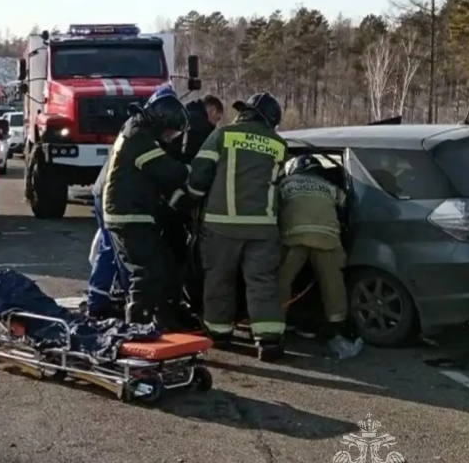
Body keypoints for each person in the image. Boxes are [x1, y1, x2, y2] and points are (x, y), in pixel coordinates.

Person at [184, 91, 287, 360]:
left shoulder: (223, 135)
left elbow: (199, 175)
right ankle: (269, 340)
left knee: (219, 279)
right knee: (262, 283)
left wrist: (190, 200)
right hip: (263, 228)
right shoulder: (278, 144)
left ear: (246, 112)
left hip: (221, 226)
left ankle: (220, 334)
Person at [101, 86, 192, 328]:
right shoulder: (139, 137)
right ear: (163, 120)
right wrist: (191, 172)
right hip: (129, 215)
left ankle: (161, 320)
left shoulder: (136, 130)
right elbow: (168, 171)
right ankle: (137, 327)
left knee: (159, 267)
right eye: (171, 132)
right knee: (145, 272)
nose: (170, 138)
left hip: (131, 213)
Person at [278, 155, 363, 359]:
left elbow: (274, 209)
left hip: (294, 238)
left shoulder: (285, 184)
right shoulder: (329, 185)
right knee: (332, 283)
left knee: (282, 281)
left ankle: (277, 322)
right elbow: (346, 206)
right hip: (327, 239)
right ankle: (336, 325)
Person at [86, 162, 130, 317]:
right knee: (114, 247)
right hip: (111, 193)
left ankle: (99, 299)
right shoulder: (144, 141)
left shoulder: (129, 140)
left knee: (109, 245)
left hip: (103, 189)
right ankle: (98, 302)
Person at [181, 95, 224, 164]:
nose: (215, 124)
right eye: (217, 119)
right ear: (213, 110)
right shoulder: (204, 127)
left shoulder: (186, 114)